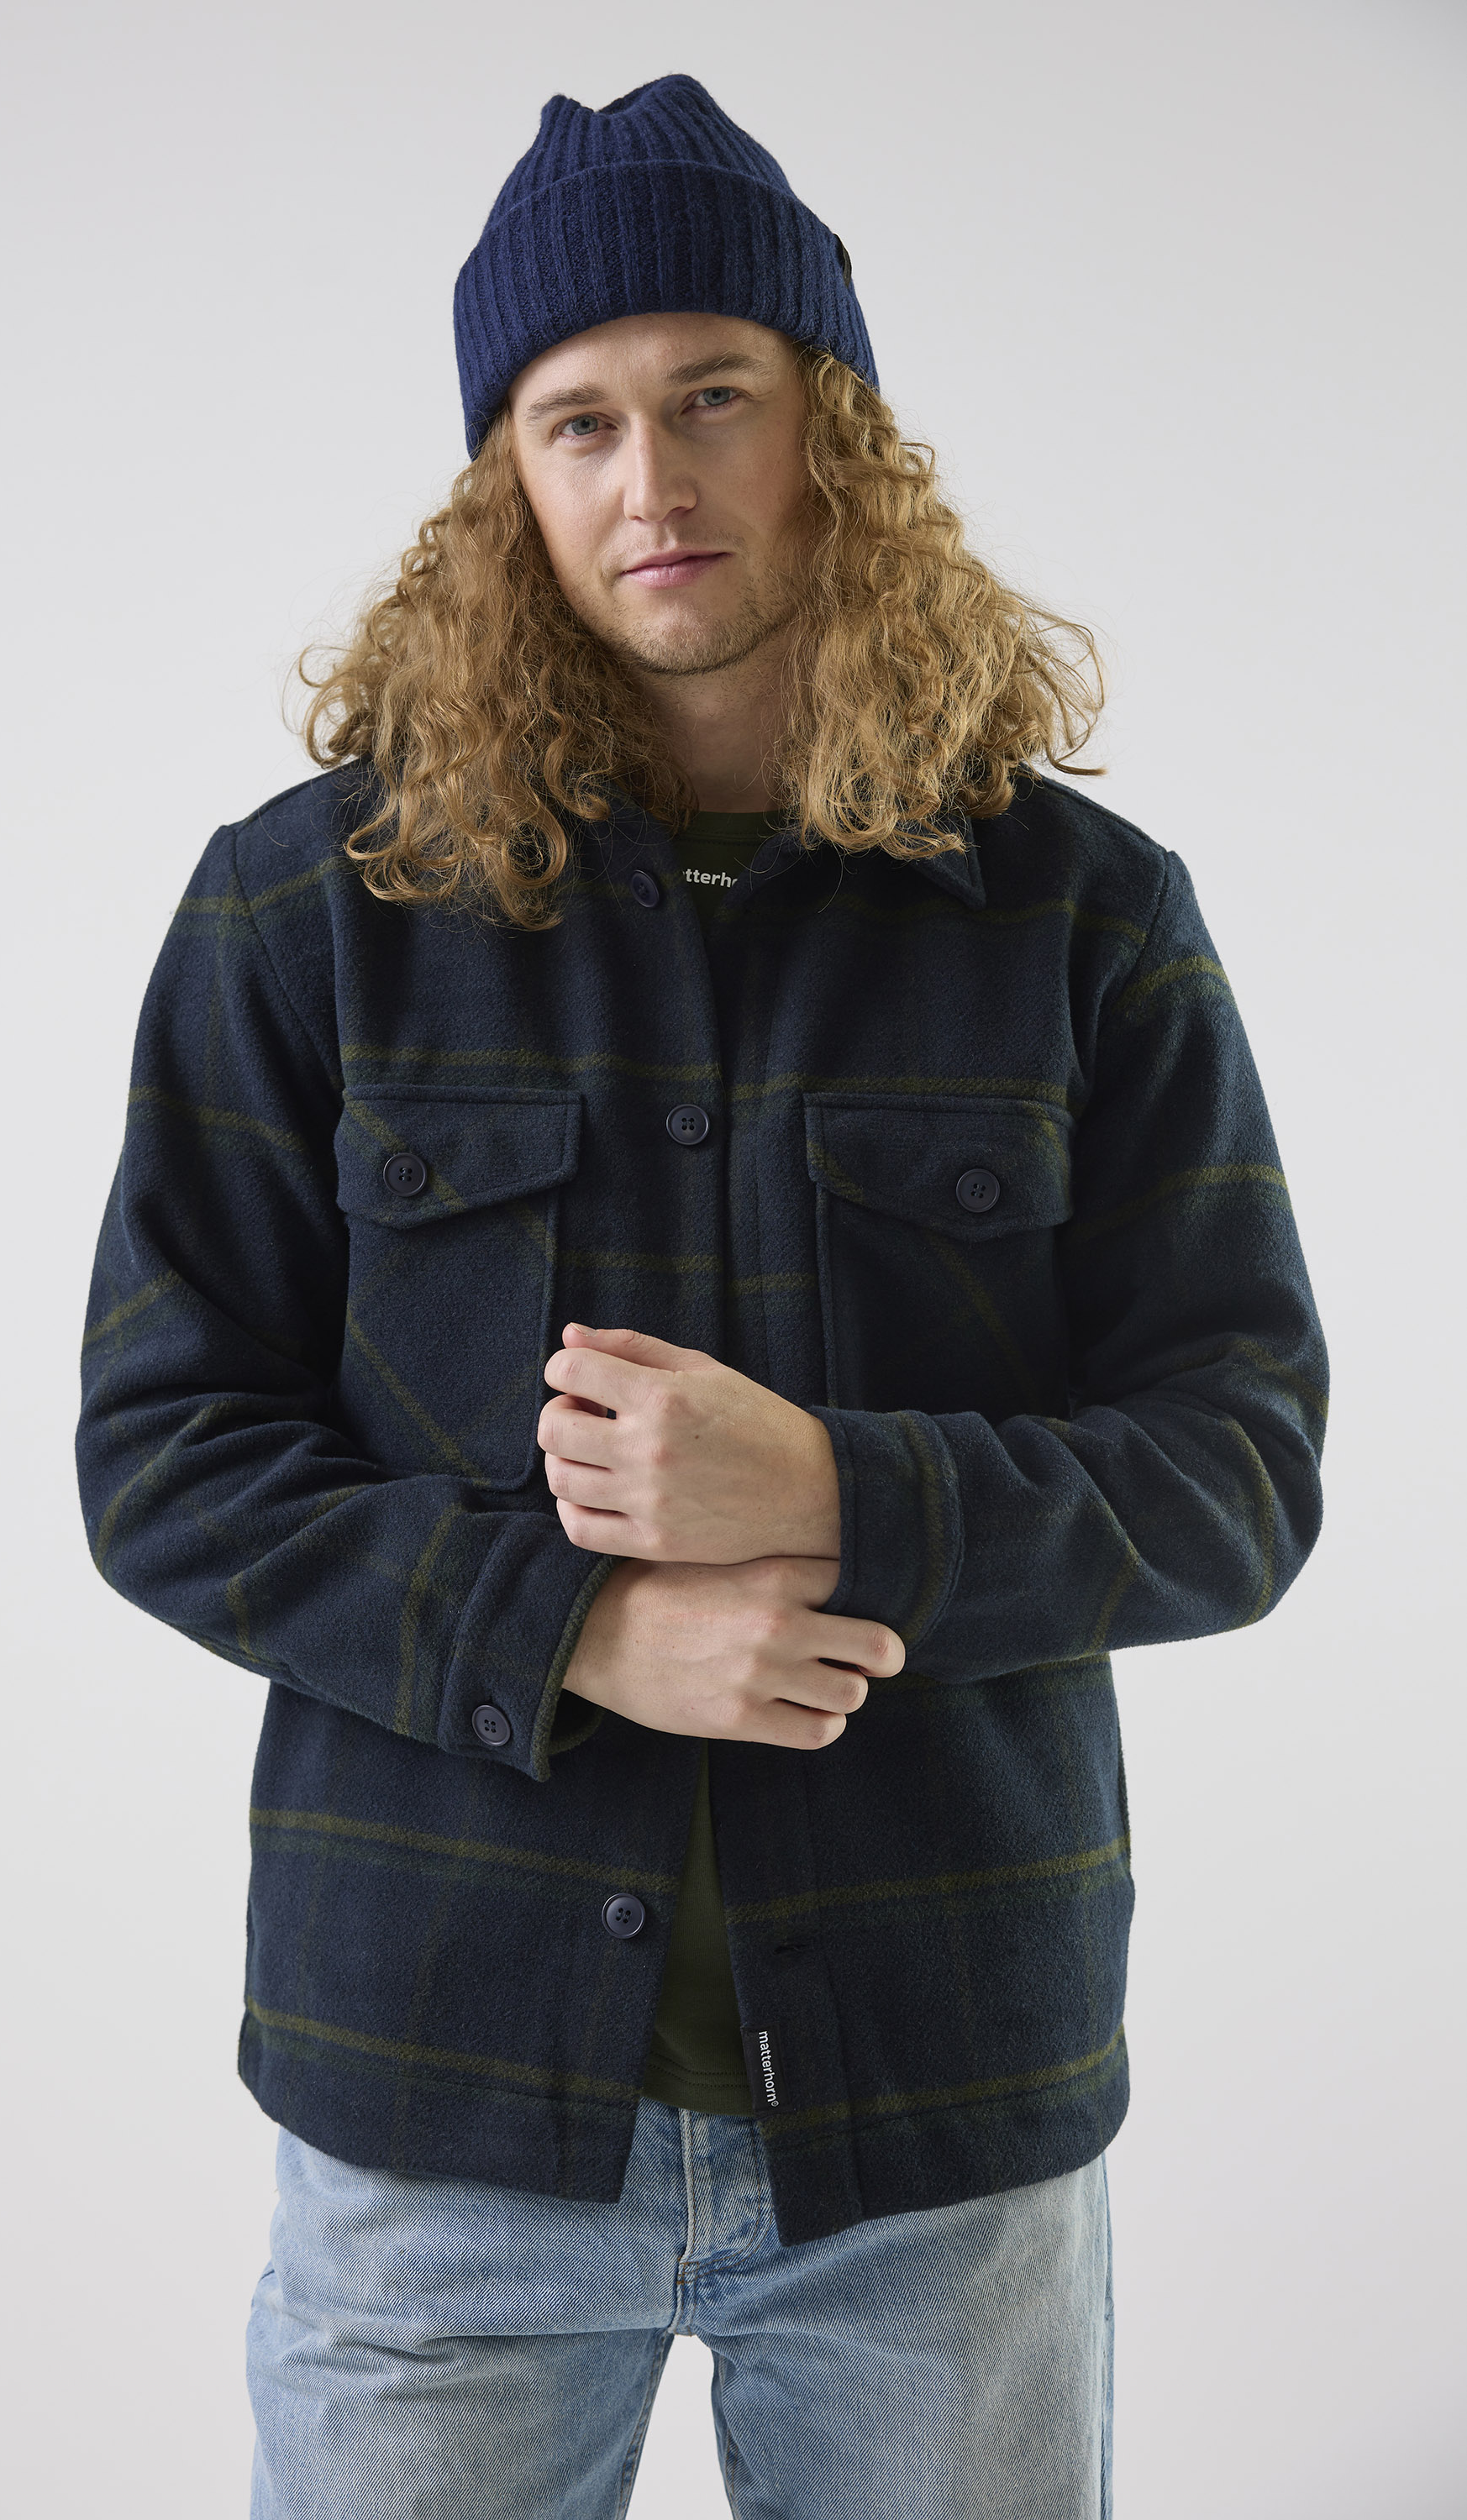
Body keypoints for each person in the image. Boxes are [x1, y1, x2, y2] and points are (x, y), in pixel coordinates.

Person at [76, 73, 1327, 2520]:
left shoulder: (1083, 919)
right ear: (506, 483)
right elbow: (164, 1452)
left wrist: (833, 1489)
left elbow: (1240, 1471)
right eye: (579, 420)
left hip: (937, 2128)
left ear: (829, 430)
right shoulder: (305, 913)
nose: (650, 478)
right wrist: (573, 1629)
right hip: (436, 2107)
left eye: (712, 395)